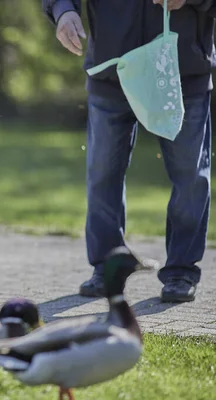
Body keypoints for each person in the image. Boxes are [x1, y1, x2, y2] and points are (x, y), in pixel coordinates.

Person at [42, 0, 215, 302]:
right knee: (102, 173)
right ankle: (108, 267)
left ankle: (181, 271)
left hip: (181, 72)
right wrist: (63, 11)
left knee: (190, 176)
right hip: (112, 71)